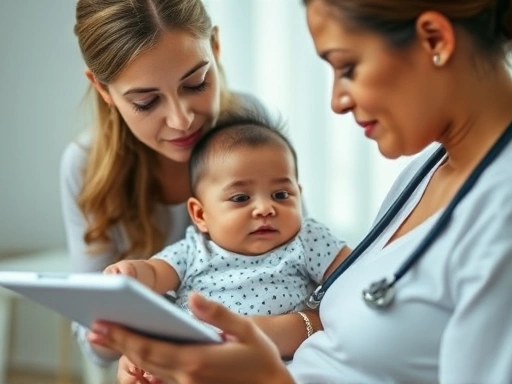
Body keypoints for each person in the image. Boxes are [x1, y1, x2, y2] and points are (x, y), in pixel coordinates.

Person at [87, 0, 512, 383]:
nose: (336, 101)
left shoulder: (499, 211)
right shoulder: (429, 168)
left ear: (434, 39)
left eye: (346, 67)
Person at [60, 0, 321, 367]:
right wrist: (122, 326)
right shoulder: (85, 165)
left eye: (196, 83)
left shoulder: (251, 128)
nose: (181, 121)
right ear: (103, 89)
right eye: (147, 102)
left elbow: (313, 271)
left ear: (215, 48)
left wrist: (272, 332)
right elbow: (96, 346)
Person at [103, 111, 350, 382]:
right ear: (200, 215)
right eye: (241, 197)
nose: (266, 208)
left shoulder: (305, 237)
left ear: (299, 196)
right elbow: (155, 272)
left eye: (281, 195)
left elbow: (355, 274)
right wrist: (131, 273)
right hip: (196, 367)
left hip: (277, 369)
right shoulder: (194, 249)